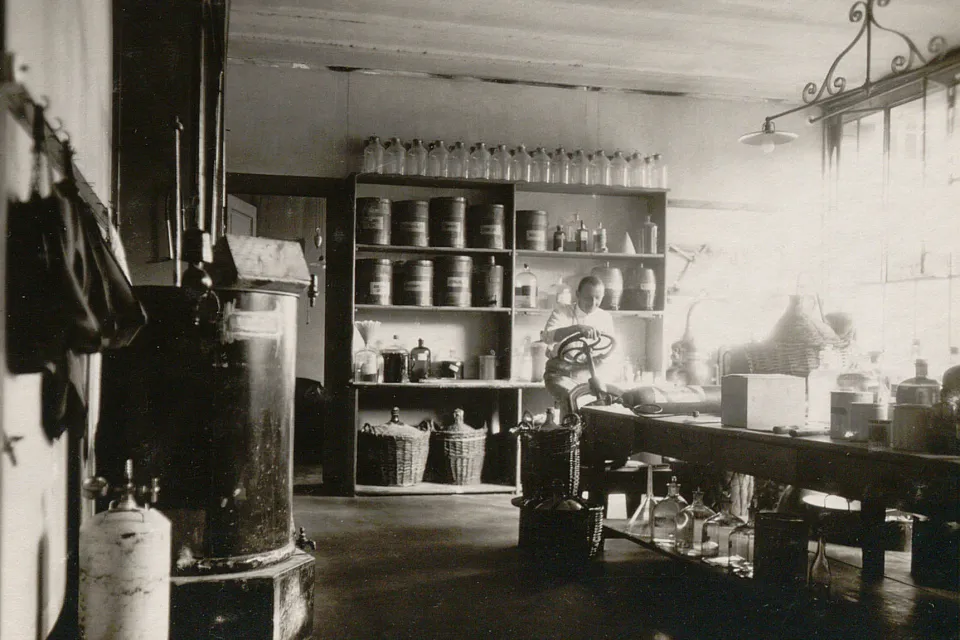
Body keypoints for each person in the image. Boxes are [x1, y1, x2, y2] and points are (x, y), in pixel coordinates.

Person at [540, 275, 622, 411]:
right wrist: (577, 328)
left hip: (590, 375)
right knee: (572, 398)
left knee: (613, 399)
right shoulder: (561, 311)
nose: (593, 303)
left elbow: (612, 350)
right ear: (577, 294)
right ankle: (570, 430)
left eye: (598, 298)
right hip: (560, 374)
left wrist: (603, 357)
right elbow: (548, 337)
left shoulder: (605, 317)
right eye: (588, 298)